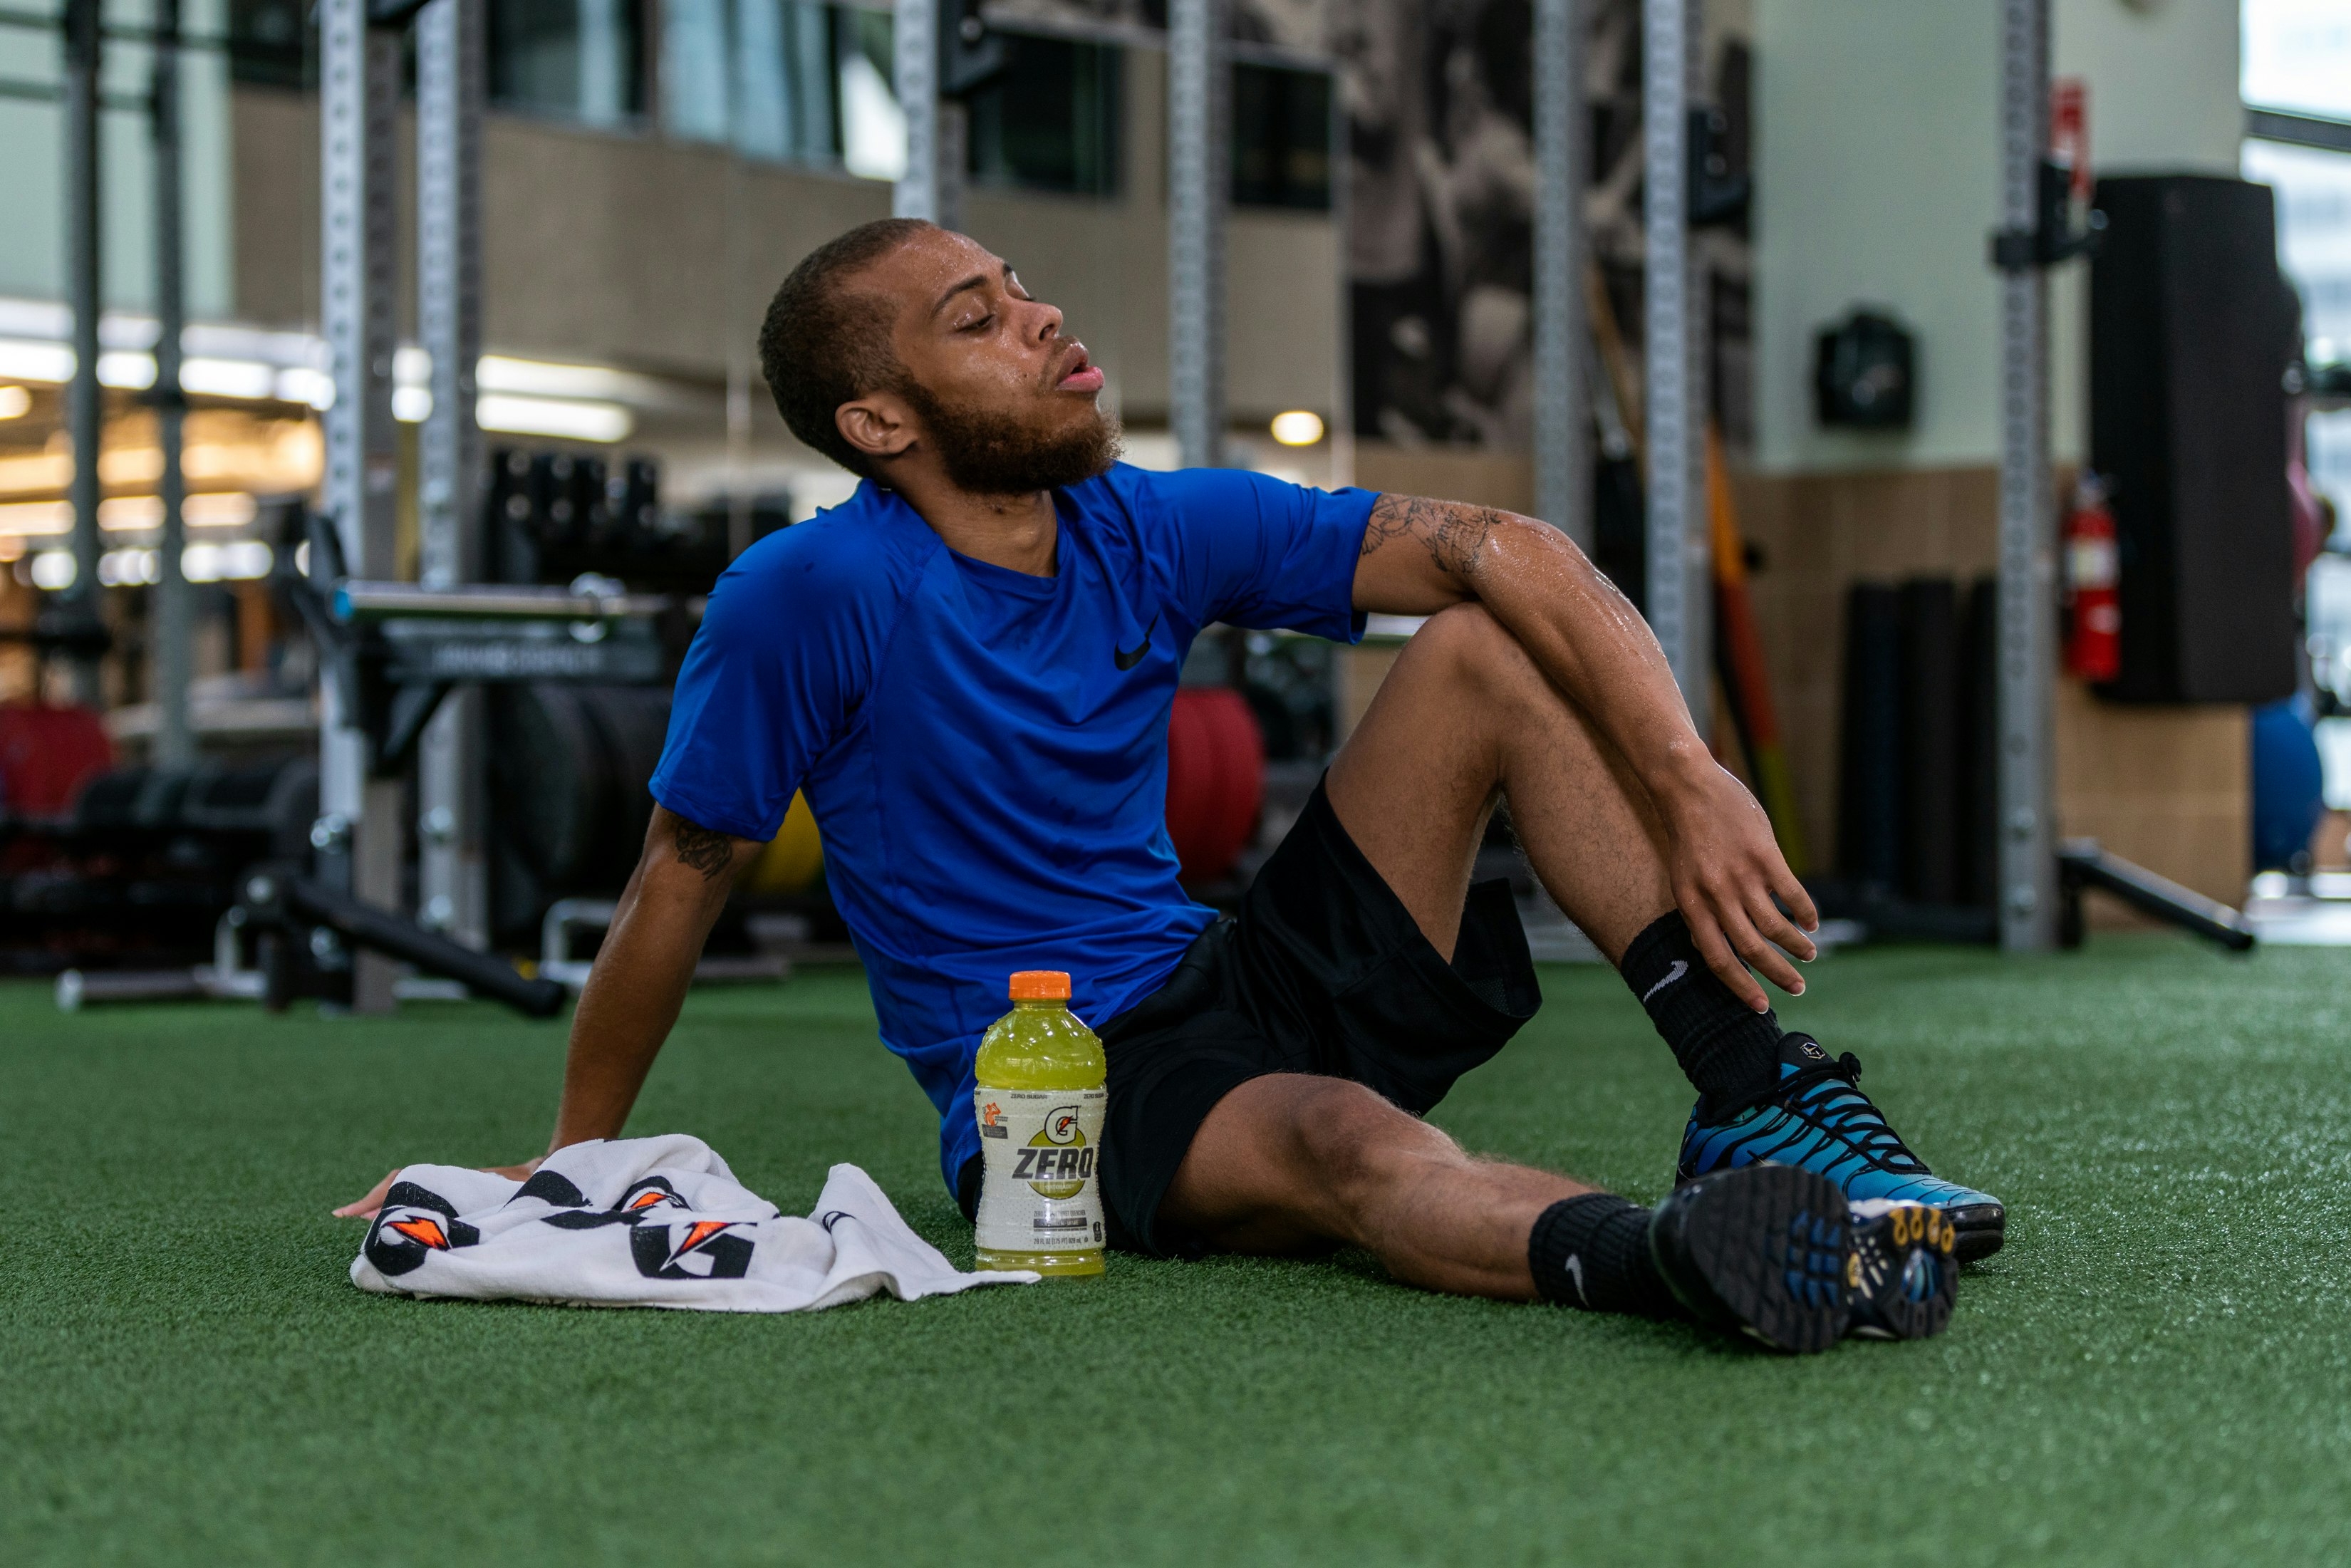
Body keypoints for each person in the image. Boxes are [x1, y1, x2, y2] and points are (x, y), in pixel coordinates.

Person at [339, 218, 1995, 1350]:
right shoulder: (808, 597)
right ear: (880, 417)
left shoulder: (1147, 521)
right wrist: (572, 1165)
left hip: (1229, 970)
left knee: (1485, 645)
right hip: (1062, 1090)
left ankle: (1761, 1106)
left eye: (1021, 288)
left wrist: (1694, 781)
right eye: (974, 321)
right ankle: (1687, 1261)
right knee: (1350, 1141)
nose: (1042, 319)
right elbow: (677, 884)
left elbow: (1513, 547)